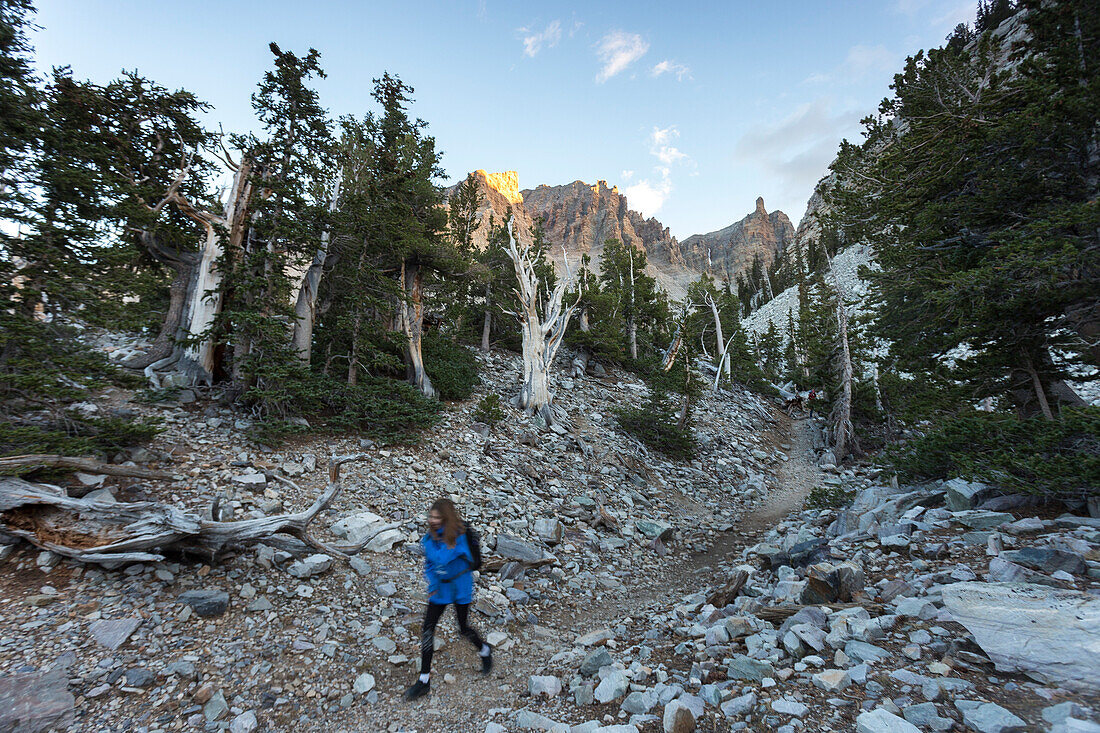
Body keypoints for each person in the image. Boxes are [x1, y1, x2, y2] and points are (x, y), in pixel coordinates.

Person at [404, 498, 491, 701]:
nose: (432, 520)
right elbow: (429, 564)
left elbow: (472, 563)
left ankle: (485, 650)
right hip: (440, 590)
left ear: (446, 518)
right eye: (431, 516)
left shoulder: (460, 537)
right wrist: (433, 582)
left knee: (463, 628)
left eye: (437, 517)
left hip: (460, 588)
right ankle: (423, 681)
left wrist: (451, 564)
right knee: (427, 630)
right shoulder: (430, 538)